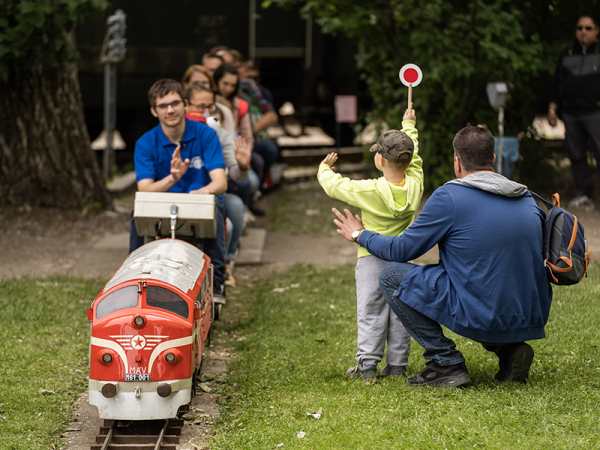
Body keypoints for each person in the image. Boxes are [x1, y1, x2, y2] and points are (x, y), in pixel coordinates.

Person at [333, 126, 553, 388]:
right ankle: (509, 350)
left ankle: (444, 361)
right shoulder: (527, 197)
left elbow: (402, 251)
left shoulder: (451, 196)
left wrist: (360, 234)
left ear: (457, 162)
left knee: (392, 275)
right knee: (484, 279)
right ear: (493, 160)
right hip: (528, 313)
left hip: (482, 309)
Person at [317, 104, 423, 379]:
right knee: (402, 311)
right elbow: (417, 159)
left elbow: (335, 186)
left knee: (370, 310)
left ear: (380, 160)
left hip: (370, 258)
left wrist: (324, 169)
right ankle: (397, 366)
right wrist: (409, 125)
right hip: (403, 258)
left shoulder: (370, 190)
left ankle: (367, 365)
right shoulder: (416, 183)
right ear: (408, 161)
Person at [131, 78, 228, 302]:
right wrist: (173, 178)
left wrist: (203, 192)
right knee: (134, 213)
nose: (170, 110)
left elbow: (220, 182)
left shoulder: (205, 134)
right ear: (154, 112)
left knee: (217, 204)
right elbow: (144, 190)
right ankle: (135, 279)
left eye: (175, 103)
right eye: (163, 106)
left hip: (199, 199)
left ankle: (217, 284)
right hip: (164, 202)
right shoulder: (145, 142)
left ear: (185, 104)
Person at [185, 83, 251, 286]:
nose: (206, 112)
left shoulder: (221, 135)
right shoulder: (175, 132)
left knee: (233, 212)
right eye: (200, 107)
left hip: (213, 193)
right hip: (183, 193)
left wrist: (243, 165)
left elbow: (236, 176)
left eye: (210, 107)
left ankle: (225, 265)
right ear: (186, 106)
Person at [549, 14, 600, 211]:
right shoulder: (567, 52)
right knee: (576, 154)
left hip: (595, 113)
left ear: (597, 30)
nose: (583, 31)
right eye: (580, 28)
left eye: (588, 28)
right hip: (571, 113)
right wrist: (552, 108)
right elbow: (556, 84)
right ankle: (583, 194)